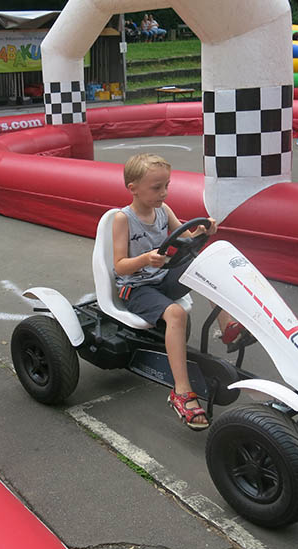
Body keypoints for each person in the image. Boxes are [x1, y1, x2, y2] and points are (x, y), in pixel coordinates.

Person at [112, 154, 250, 431]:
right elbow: (119, 266)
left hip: (161, 278)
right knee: (176, 314)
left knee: (205, 268)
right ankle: (182, 391)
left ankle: (229, 329)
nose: (163, 193)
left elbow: (185, 236)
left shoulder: (164, 211)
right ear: (133, 187)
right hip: (135, 287)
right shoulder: (122, 219)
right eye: (156, 188)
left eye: (166, 186)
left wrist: (203, 230)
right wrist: (144, 259)